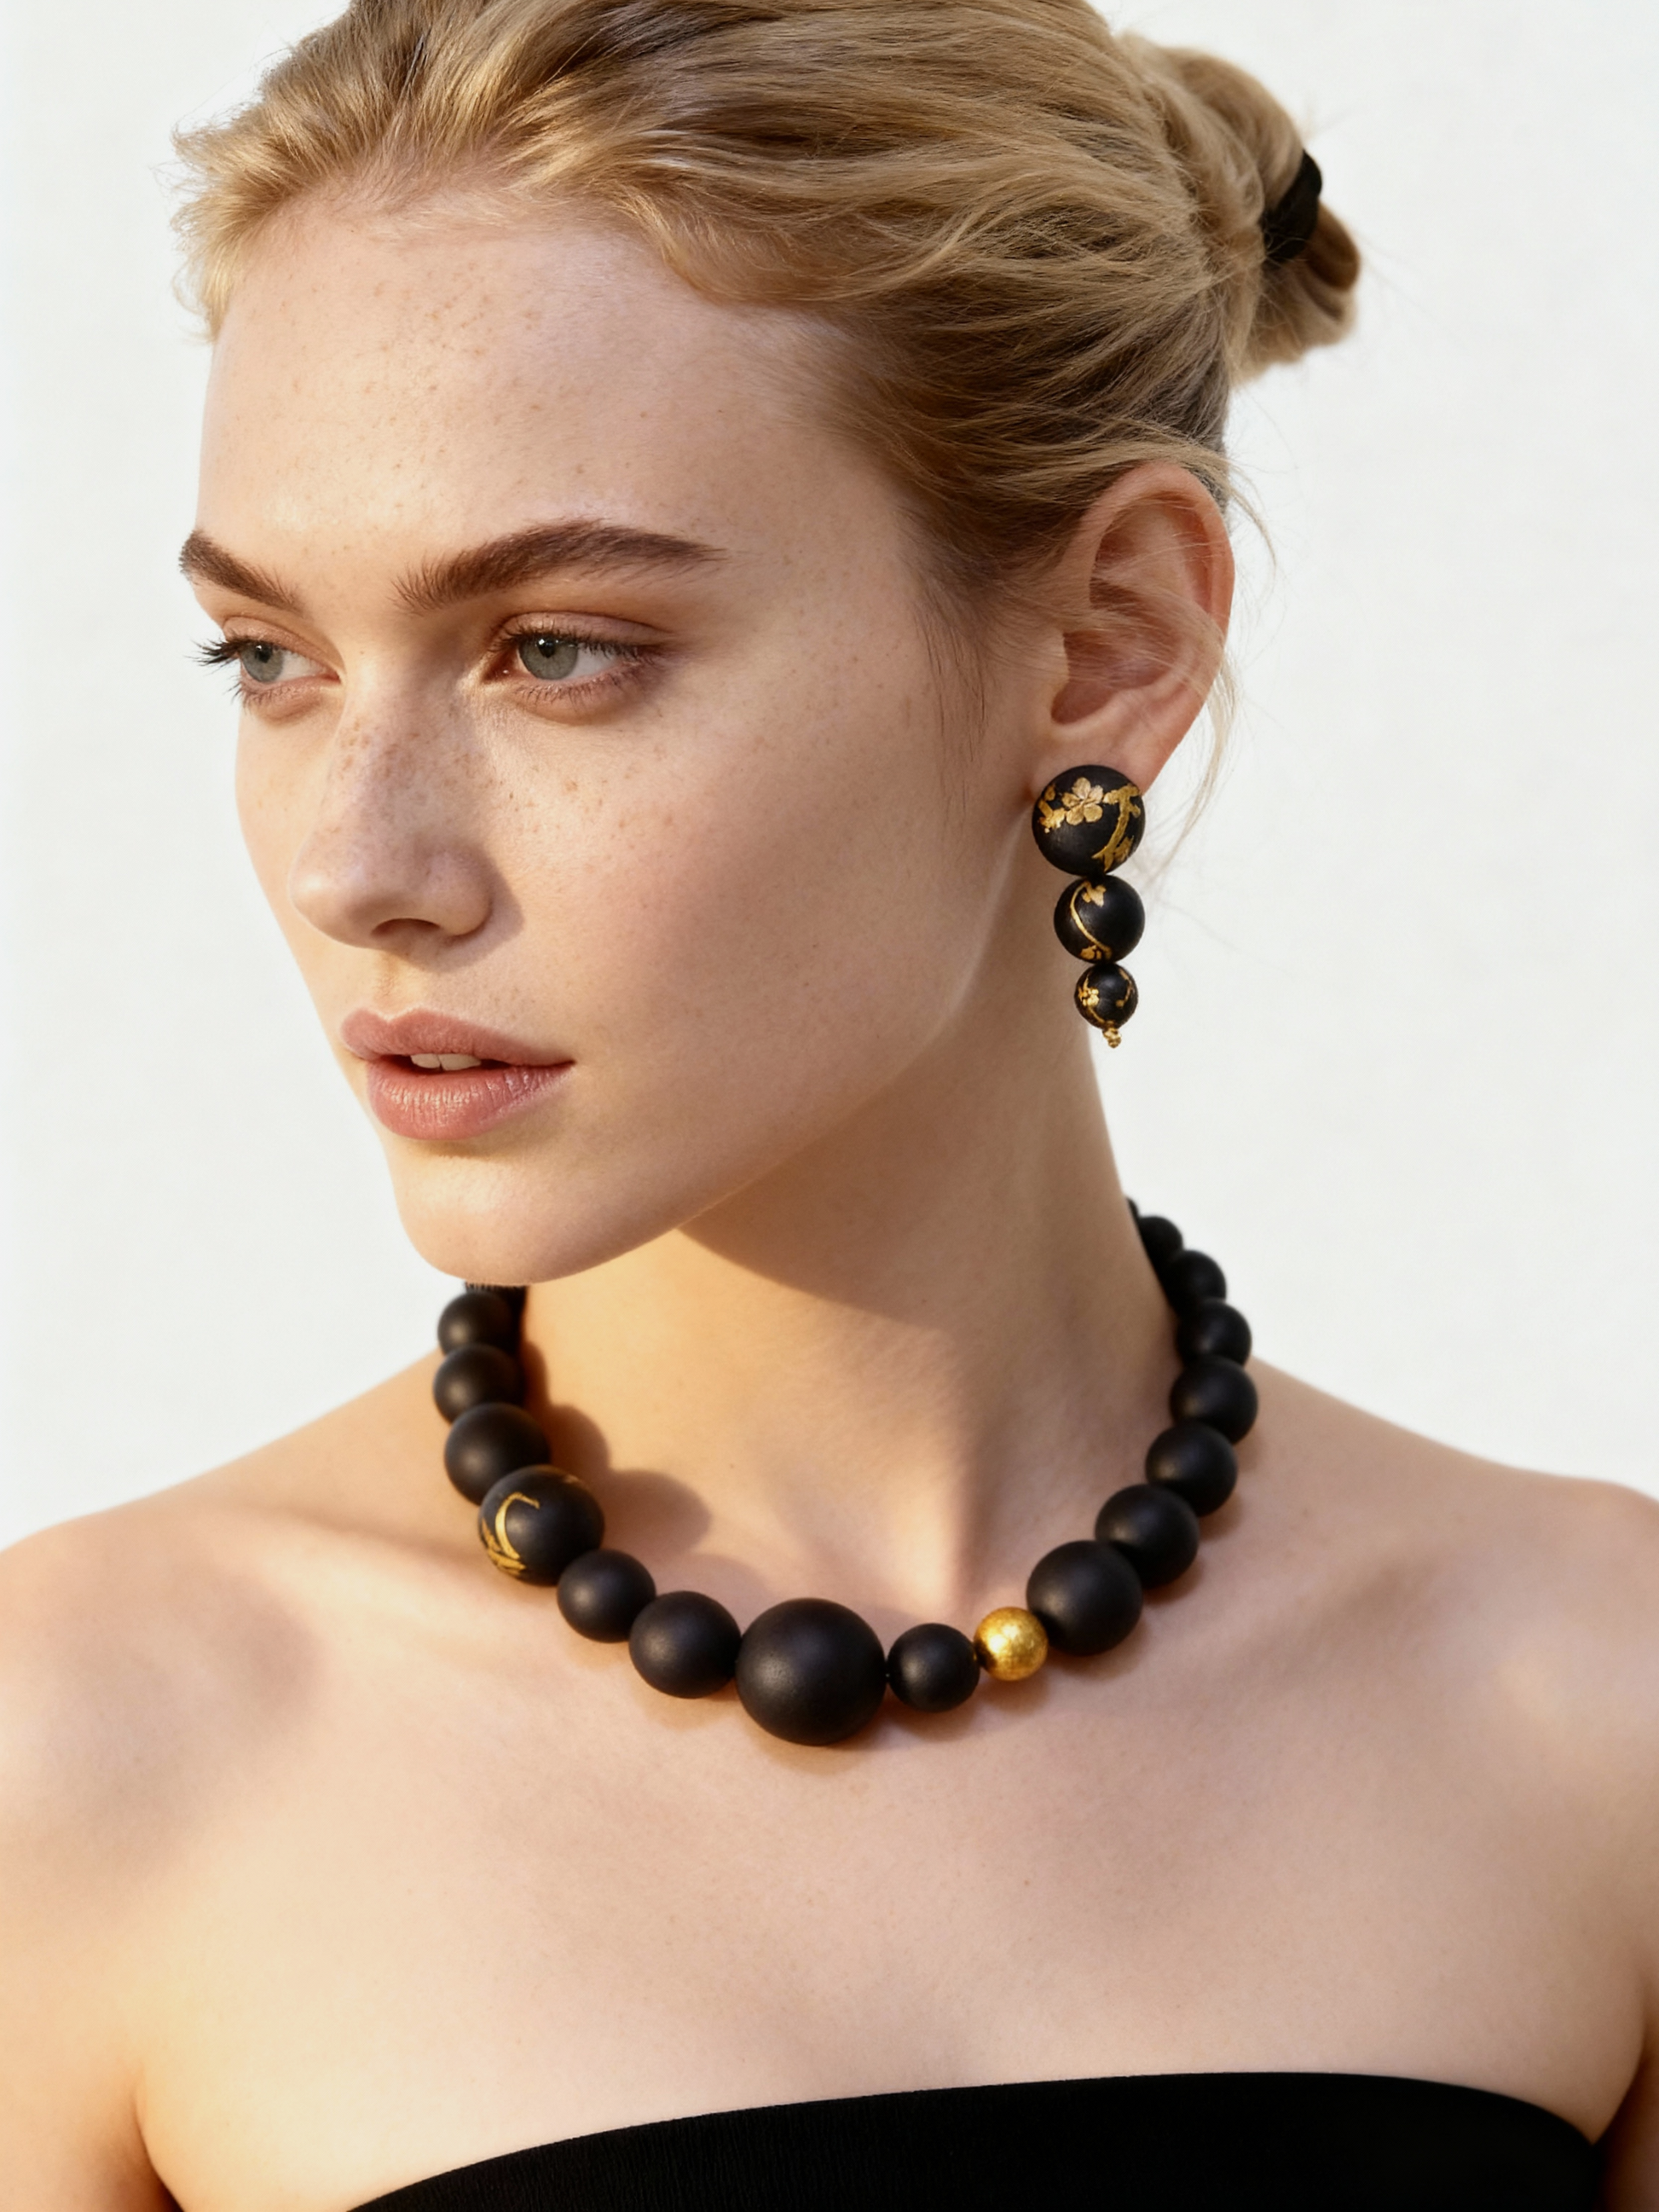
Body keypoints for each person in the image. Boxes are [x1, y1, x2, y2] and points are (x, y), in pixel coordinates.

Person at [2, 1, 1654, 2204]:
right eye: (273, 660)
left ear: (1106, 648)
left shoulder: (1594, 1711)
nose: (358, 865)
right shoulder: (90, 1759)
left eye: (559, 649)